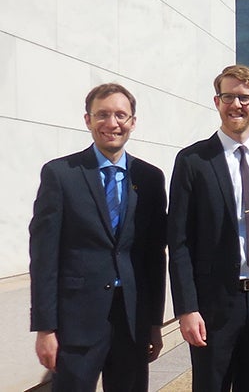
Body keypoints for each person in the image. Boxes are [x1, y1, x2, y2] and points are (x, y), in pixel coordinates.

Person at [29, 83, 167, 391]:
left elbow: (153, 257)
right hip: (75, 325)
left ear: (132, 121)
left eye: (121, 115)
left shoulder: (150, 178)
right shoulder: (60, 174)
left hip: (131, 322)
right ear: (88, 120)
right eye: (102, 114)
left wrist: (154, 323)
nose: (112, 123)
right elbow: (44, 258)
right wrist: (45, 328)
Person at [168, 65, 249, 391]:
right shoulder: (193, 161)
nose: (236, 104)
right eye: (228, 97)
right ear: (217, 101)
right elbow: (178, 242)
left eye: (244, 97)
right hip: (214, 306)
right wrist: (187, 308)